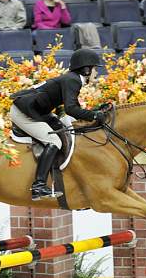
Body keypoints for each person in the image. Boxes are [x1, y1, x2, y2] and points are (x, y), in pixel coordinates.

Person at [10, 49, 107, 200]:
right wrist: (94, 115)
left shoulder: (72, 78)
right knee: (54, 140)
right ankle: (39, 186)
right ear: (86, 69)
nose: (96, 72)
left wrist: (93, 112)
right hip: (23, 113)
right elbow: (72, 109)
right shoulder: (73, 80)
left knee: (64, 129)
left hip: (36, 110)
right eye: (94, 68)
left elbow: (69, 108)